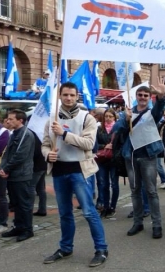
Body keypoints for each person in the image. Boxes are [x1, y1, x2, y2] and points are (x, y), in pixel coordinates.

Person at [41, 82, 108, 267]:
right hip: (59, 170)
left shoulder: (87, 118)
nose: (69, 98)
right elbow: (45, 144)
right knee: (64, 213)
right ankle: (65, 247)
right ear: (60, 96)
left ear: (77, 96)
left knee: (88, 212)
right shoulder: (51, 119)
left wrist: (64, 134)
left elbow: (88, 144)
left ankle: (101, 249)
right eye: (65, 95)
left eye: (72, 95)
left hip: (80, 170)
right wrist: (48, 154)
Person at [112, 81, 165, 239]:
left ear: (150, 98)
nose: (143, 97)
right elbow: (117, 130)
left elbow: (159, 109)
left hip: (148, 156)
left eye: (146, 96)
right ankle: (138, 222)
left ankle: (157, 224)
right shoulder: (127, 113)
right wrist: (125, 119)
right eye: (140, 95)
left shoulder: (152, 113)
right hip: (131, 157)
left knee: (151, 191)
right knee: (135, 191)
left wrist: (161, 95)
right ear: (136, 97)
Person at [0, 110, 35, 242]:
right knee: (16, 203)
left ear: (20, 120)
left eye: (11, 119)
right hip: (13, 174)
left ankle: (27, 229)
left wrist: (7, 168)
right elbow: (7, 152)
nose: (8, 121)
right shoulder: (14, 133)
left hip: (21, 174)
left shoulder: (27, 134)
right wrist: (3, 167)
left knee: (23, 203)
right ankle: (18, 226)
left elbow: (20, 155)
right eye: (8, 119)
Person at [96, 109, 119, 218]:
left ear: (114, 117)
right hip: (102, 160)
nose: (108, 118)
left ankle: (112, 206)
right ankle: (105, 206)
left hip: (114, 160)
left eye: (110, 116)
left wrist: (113, 147)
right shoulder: (99, 129)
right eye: (106, 116)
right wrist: (103, 146)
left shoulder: (118, 129)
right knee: (104, 184)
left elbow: (121, 143)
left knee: (114, 184)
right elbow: (94, 144)